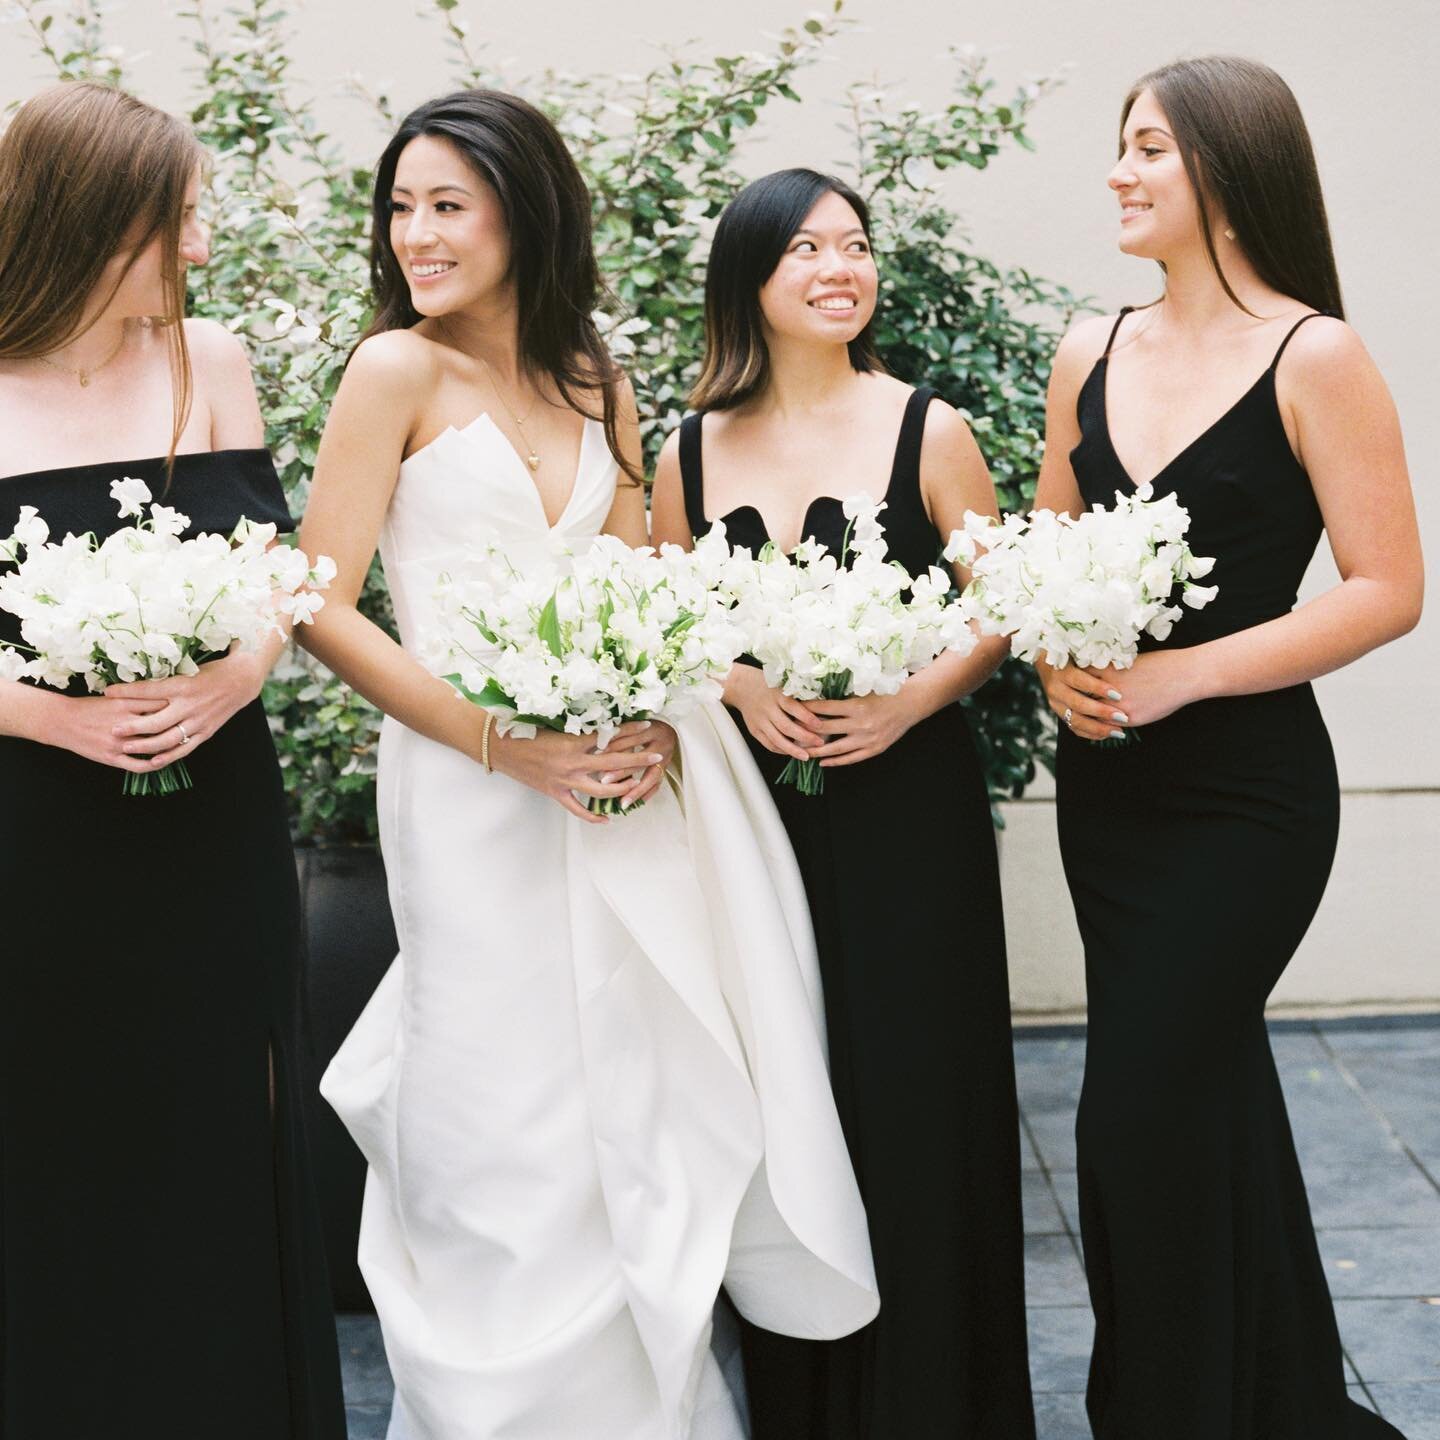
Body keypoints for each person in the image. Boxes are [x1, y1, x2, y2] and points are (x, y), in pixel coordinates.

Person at [302, 92, 878, 1440]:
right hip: (465, 793)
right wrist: (505, 742)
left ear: (524, 209)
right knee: (492, 1112)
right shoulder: (393, 371)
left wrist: (650, 726)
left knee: (624, 1094)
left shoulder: (595, 381)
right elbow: (321, 602)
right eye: (401, 208)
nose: (416, 235)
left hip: (617, 787)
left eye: (447, 204)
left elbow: (640, 585)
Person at [1033, 55, 1422, 1439]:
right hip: (1111, 794)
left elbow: (1389, 588)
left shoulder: (1315, 352)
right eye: (1118, 147)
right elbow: (1047, 561)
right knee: (1205, 1089)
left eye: (1148, 149)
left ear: (1229, 169)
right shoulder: (1092, 346)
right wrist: (1057, 665)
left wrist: (1184, 675)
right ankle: (1272, 1403)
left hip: (1248, 800)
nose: (1120, 174)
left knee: (1133, 1112)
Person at [651, 166, 1036, 1440]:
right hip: (757, 820)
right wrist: (740, 684)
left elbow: (998, 608)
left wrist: (908, 701)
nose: (839, 269)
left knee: (923, 1099)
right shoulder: (688, 450)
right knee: (785, 1103)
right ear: (748, 280)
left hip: (906, 809)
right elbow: (666, 622)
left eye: (856, 247)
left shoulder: (929, 429)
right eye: (806, 249)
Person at [0, 82, 346, 1438]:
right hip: (31, 828)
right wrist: (46, 714)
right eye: (175, 219)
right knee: (50, 1136)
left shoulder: (214, 360)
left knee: (221, 1128)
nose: (199, 247)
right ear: (92, 222)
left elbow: (268, 569)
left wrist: (237, 670)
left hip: (212, 816)